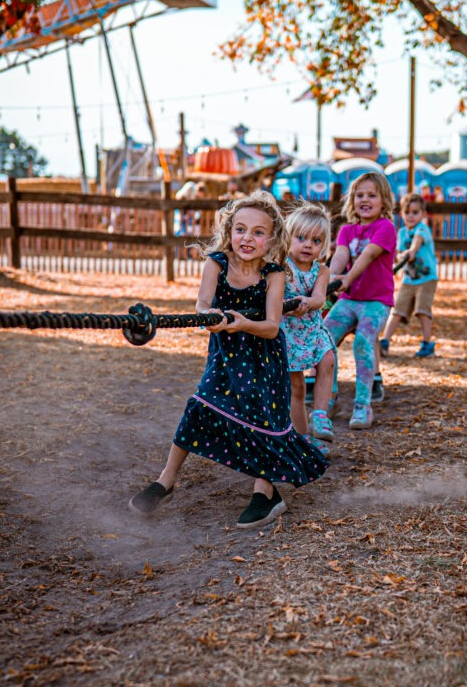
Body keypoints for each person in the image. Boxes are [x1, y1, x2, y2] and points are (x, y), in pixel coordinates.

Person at [129, 190, 327, 528]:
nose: (247, 238)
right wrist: (211, 317)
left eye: (258, 232)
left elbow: (272, 326)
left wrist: (244, 323)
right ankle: (166, 480)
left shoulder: (273, 273)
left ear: (271, 239)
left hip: (264, 356)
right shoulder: (216, 263)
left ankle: (265, 494)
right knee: (200, 405)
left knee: (265, 419)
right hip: (225, 353)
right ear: (229, 231)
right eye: (240, 229)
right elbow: (202, 304)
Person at [324, 171, 396, 430]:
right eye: (359, 195)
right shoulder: (346, 230)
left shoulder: (385, 228)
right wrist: (331, 278)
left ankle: (362, 405)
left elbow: (366, 256)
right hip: (349, 299)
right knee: (324, 339)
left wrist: (346, 279)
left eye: (372, 195)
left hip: (376, 301)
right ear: (352, 200)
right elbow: (341, 255)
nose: (365, 200)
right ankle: (327, 400)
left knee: (364, 343)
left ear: (383, 200)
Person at [281, 203, 336, 454]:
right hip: (289, 333)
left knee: (328, 360)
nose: (307, 245)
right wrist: (287, 305)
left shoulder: (321, 270)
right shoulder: (281, 268)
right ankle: (301, 439)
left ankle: (321, 415)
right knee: (297, 387)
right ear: (288, 238)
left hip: (312, 329)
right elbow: (274, 298)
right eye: (301, 238)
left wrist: (305, 302)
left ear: (323, 245)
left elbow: (319, 298)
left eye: (315, 241)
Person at [379, 192, 438, 359]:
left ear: (423, 214)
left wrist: (411, 251)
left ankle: (427, 344)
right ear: (402, 214)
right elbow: (398, 253)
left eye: (415, 212)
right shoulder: (402, 232)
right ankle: (384, 341)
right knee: (397, 310)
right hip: (409, 279)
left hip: (427, 278)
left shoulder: (422, 228)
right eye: (408, 212)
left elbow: (416, 243)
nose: (411, 216)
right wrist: (401, 257)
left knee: (422, 310)